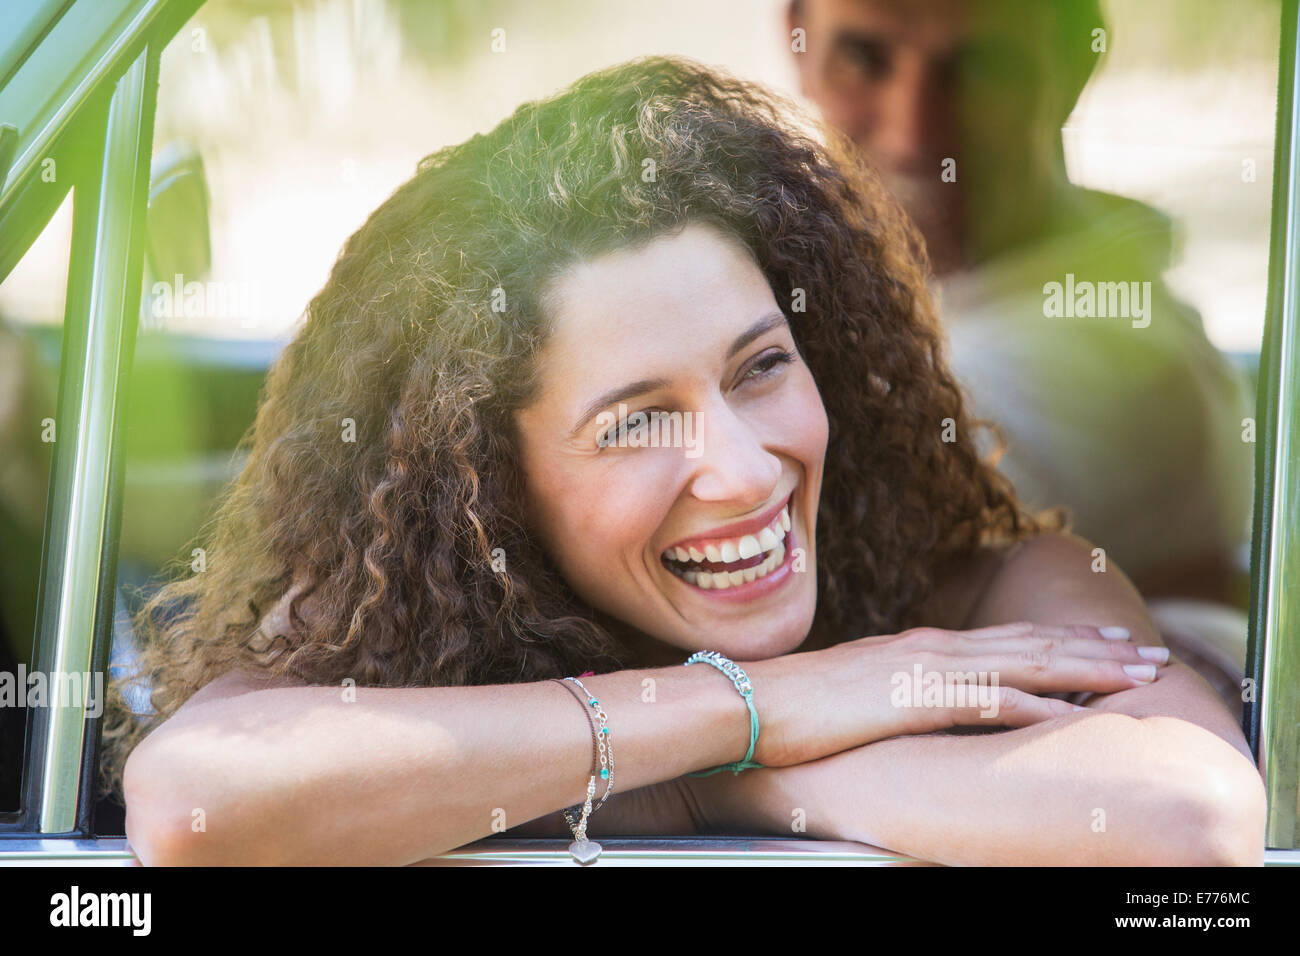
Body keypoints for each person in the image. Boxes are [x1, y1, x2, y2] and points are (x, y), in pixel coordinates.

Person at [101, 56, 1263, 866]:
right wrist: (765, 708)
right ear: (489, 488)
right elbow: (197, 802)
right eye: (635, 420)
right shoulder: (406, 643)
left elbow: (1186, 814)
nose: (747, 472)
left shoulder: (998, 589)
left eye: (760, 367)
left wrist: (706, 772)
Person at [785, 0, 1255, 610]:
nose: (914, 133)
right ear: (796, 40)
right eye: (862, 58)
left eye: (979, 67)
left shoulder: (1085, 368)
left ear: (1072, 65)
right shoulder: (1095, 280)